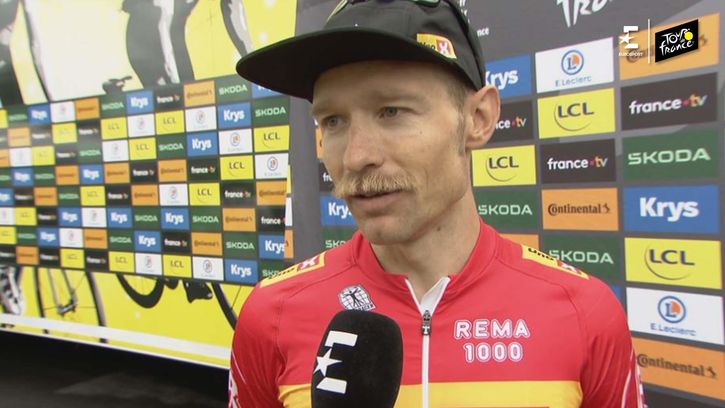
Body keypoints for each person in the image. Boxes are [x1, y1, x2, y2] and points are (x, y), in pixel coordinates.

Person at [230, 1, 645, 407]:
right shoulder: (272, 314)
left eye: (391, 111)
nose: (356, 157)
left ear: (479, 118)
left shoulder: (583, 313)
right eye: (333, 121)